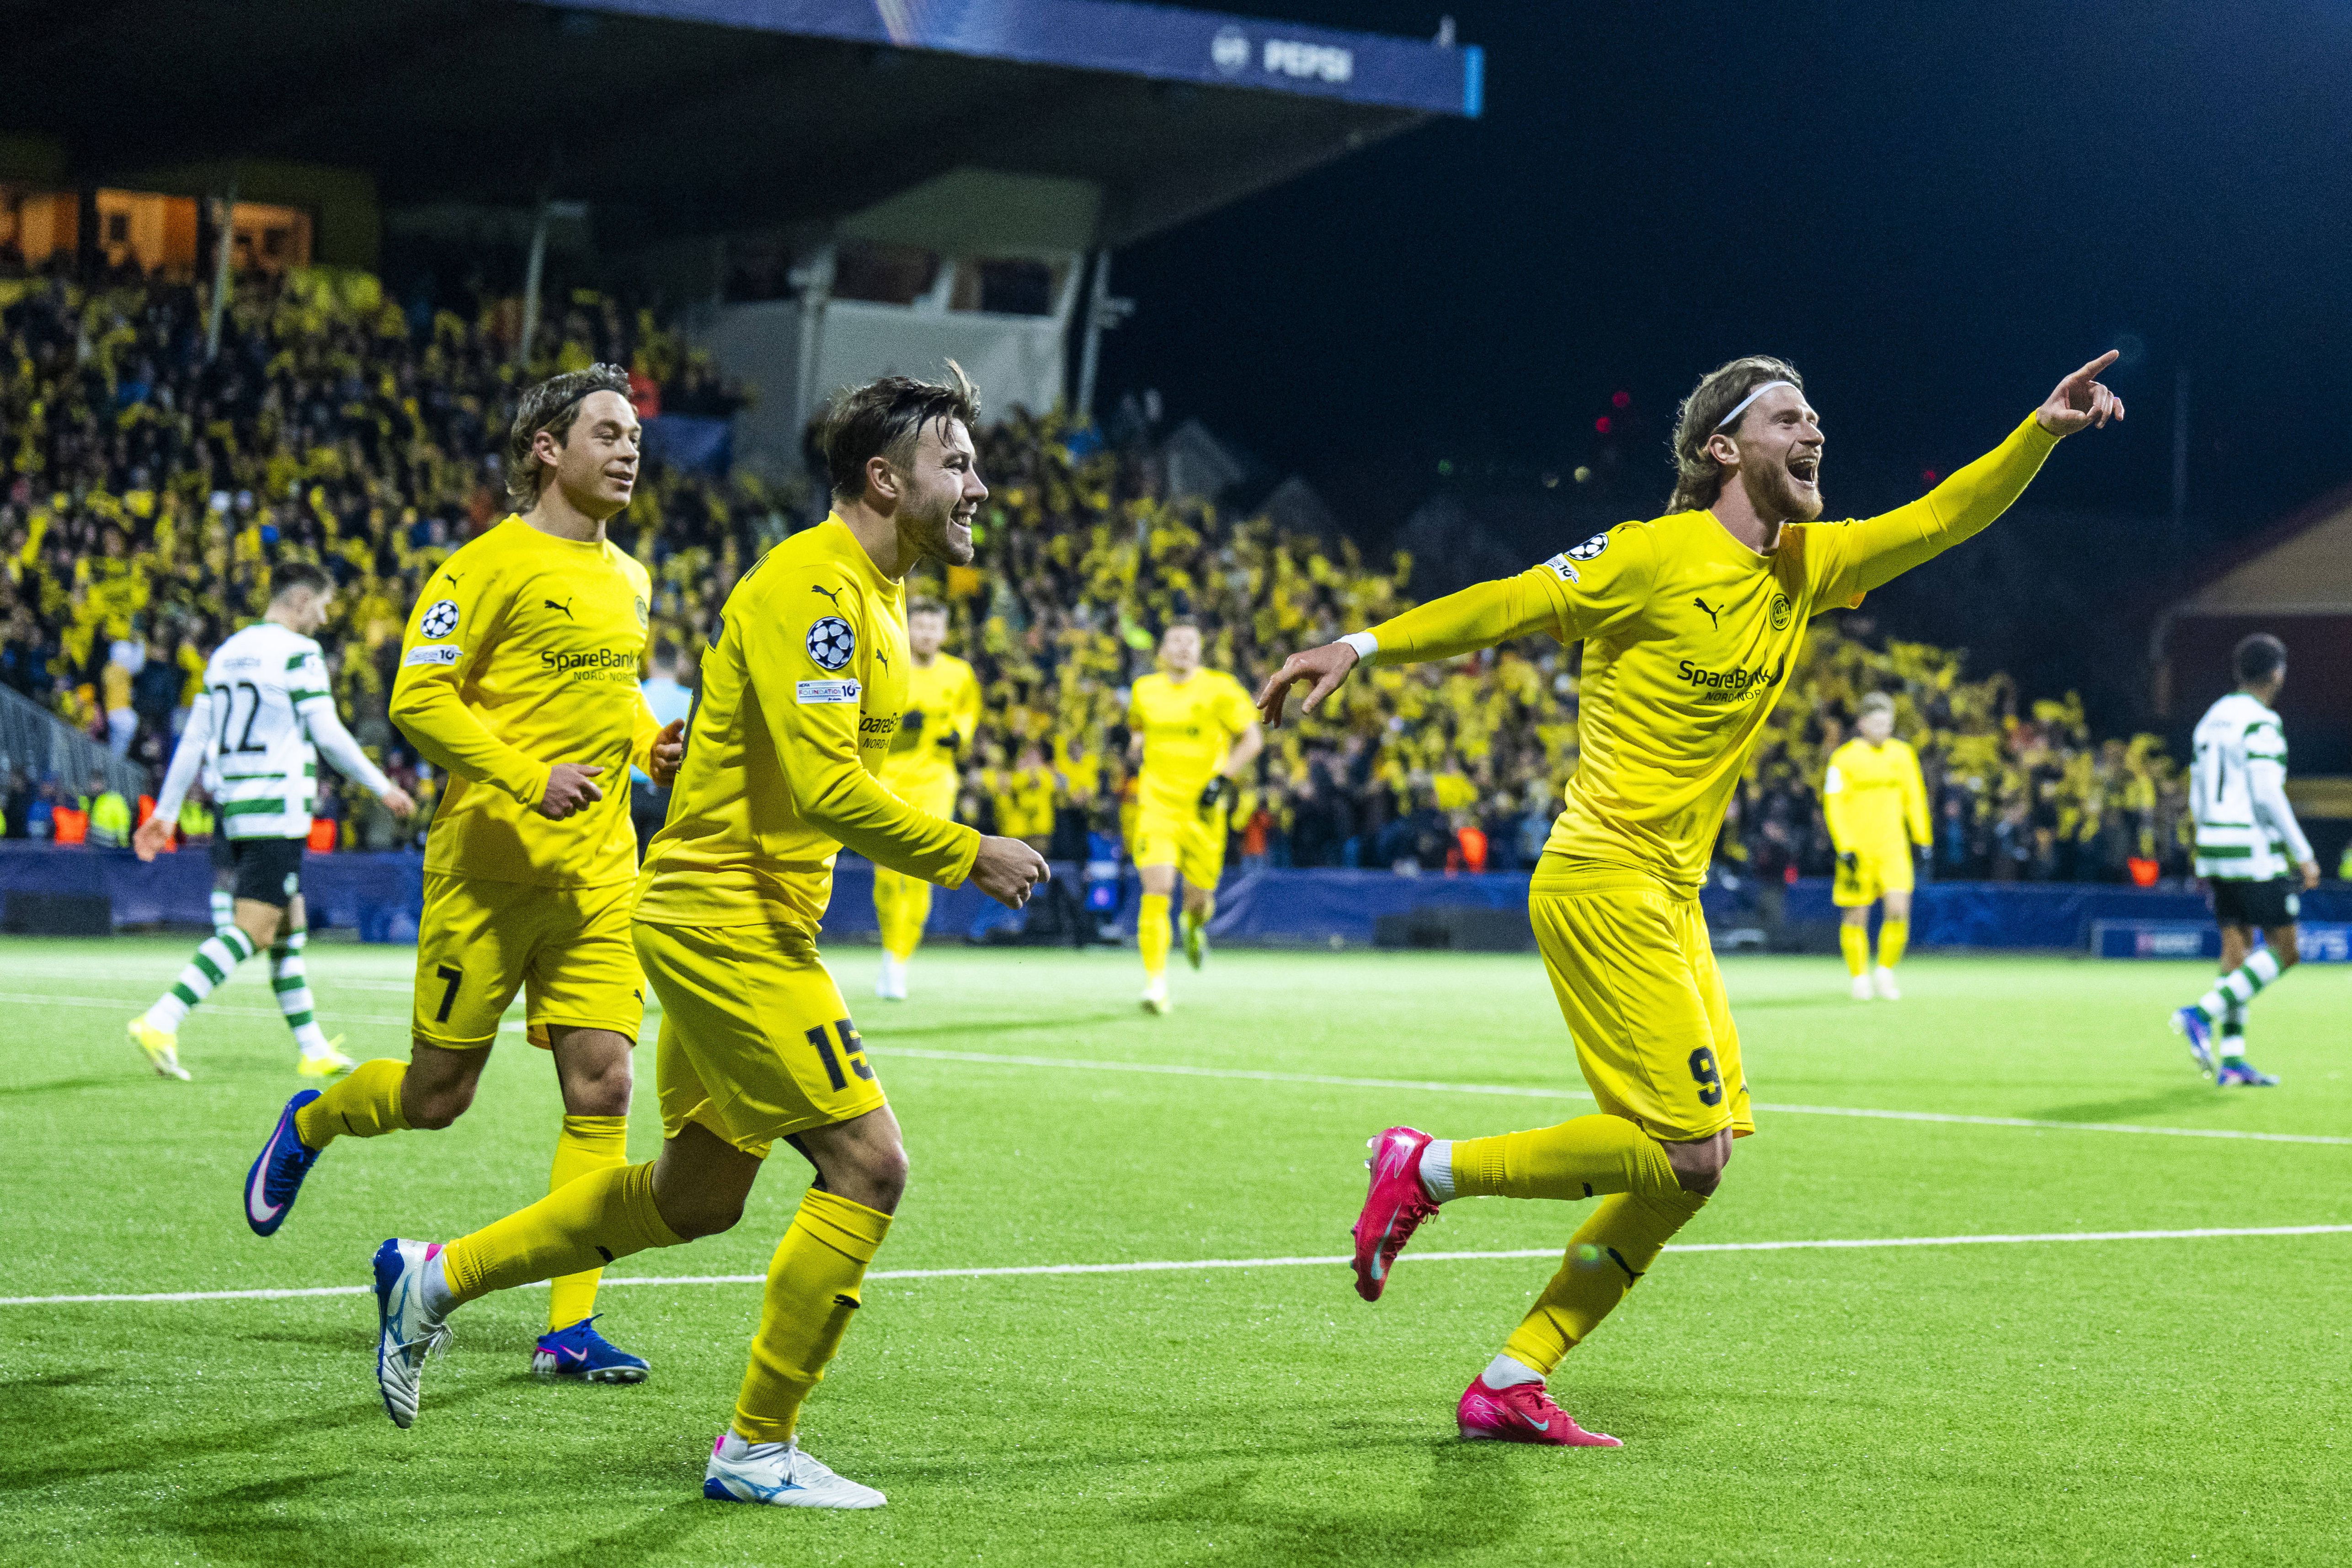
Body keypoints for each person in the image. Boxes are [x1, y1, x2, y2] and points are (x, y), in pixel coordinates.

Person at [1258, 351, 2122, 1447]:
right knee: (1683, 1149)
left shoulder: (1808, 563)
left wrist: (2038, 430)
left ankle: (1511, 1377)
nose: (1816, 432)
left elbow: (1947, 518)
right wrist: (1360, 644)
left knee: (1694, 1174)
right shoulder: (1650, 555)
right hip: (1603, 875)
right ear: (1725, 448)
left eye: (1818, 416)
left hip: (1671, 896)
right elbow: (1512, 603)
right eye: (1789, 418)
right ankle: (1423, 1167)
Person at [360, 364, 1048, 1508]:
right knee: (870, 1166)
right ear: (885, 479)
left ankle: (438, 1278)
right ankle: (756, 1447)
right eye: (958, 464)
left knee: (697, 1197)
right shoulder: (815, 589)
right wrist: (965, 849)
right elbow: (829, 788)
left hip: (740, 914)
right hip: (727, 920)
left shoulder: (871, 594)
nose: (979, 487)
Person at [240, 366, 686, 1385]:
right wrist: (530, 777)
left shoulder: (631, 577)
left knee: (604, 1084)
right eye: (608, 433)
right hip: (487, 868)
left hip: (601, 873)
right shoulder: (479, 567)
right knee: (440, 1094)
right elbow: (418, 700)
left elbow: (603, 697)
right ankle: (312, 1118)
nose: (629, 451)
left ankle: (569, 1327)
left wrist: (645, 740)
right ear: (546, 448)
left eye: (636, 439)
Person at [128, 563, 415, 1081]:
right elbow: (327, 734)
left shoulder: (227, 653)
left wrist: (166, 812)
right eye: (323, 606)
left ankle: (313, 1048)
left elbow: (195, 738)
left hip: (235, 806)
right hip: (276, 805)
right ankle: (161, 1019)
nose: (325, 618)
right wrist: (382, 786)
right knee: (255, 930)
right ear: (301, 600)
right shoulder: (299, 654)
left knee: (289, 925)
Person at [2171, 633, 2316, 1086]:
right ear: (2277, 672)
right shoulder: (2262, 722)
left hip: (2213, 844)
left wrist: (2201, 842)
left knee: (2237, 949)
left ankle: (2232, 1062)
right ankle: (2200, 1013)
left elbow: (2195, 788)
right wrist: (2304, 853)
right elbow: (2266, 792)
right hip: (2249, 848)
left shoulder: (2211, 719)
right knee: (2287, 950)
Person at [1125, 620, 1263, 1012]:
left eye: (1190, 642)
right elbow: (1138, 728)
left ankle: (1193, 927)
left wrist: (1223, 779)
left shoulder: (1220, 689)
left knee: (1197, 900)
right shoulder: (1145, 690)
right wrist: (1133, 747)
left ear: (1200, 650)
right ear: (1163, 650)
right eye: (1175, 642)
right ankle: (1155, 984)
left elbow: (1252, 739)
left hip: (1203, 810)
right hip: (1157, 806)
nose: (1183, 648)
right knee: (1157, 889)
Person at [871, 597, 979, 1000]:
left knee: (920, 871)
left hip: (936, 780)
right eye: (921, 626)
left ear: (944, 632)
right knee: (886, 874)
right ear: (907, 627)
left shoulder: (959, 673)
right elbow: (868, 718)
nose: (928, 634)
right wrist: (899, 727)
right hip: (889, 778)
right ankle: (889, 950)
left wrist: (960, 735)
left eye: (935, 628)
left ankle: (899, 962)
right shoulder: (888, 665)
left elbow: (968, 713)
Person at [1824, 691, 1930, 999]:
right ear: (1862, 724)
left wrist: (1922, 839)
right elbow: (1834, 805)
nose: (1884, 729)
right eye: (1878, 723)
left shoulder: (1902, 755)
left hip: (1893, 848)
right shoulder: (1843, 759)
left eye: (1888, 724)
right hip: (1857, 849)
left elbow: (1915, 797)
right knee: (1856, 916)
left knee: (1898, 911)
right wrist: (1844, 846)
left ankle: (1884, 971)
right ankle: (1859, 977)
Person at [633, 641, 694, 859]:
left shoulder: (636, 695)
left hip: (633, 792)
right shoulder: (692, 699)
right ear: (679, 664)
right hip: (668, 793)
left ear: (650, 663)